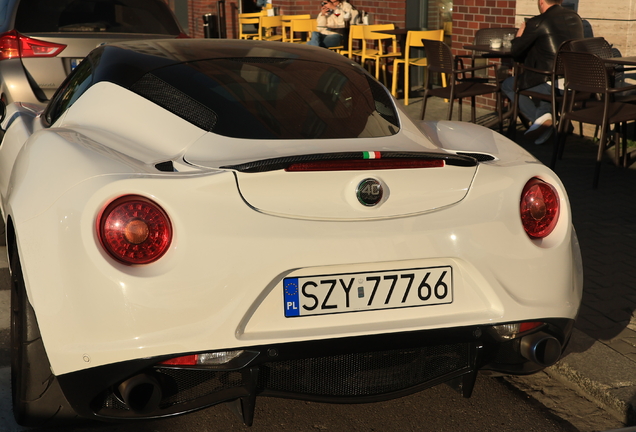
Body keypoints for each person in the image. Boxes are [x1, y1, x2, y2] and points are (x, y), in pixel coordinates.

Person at [501, 0, 583, 144]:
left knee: (508, 84)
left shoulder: (538, 22)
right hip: (575, 82)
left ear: (541, 2)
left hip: (551, 83)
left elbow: (516, 52)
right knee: (541, 90)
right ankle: (545, 118)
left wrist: (519, 36)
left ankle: (543, 123)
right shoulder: (575, 18)